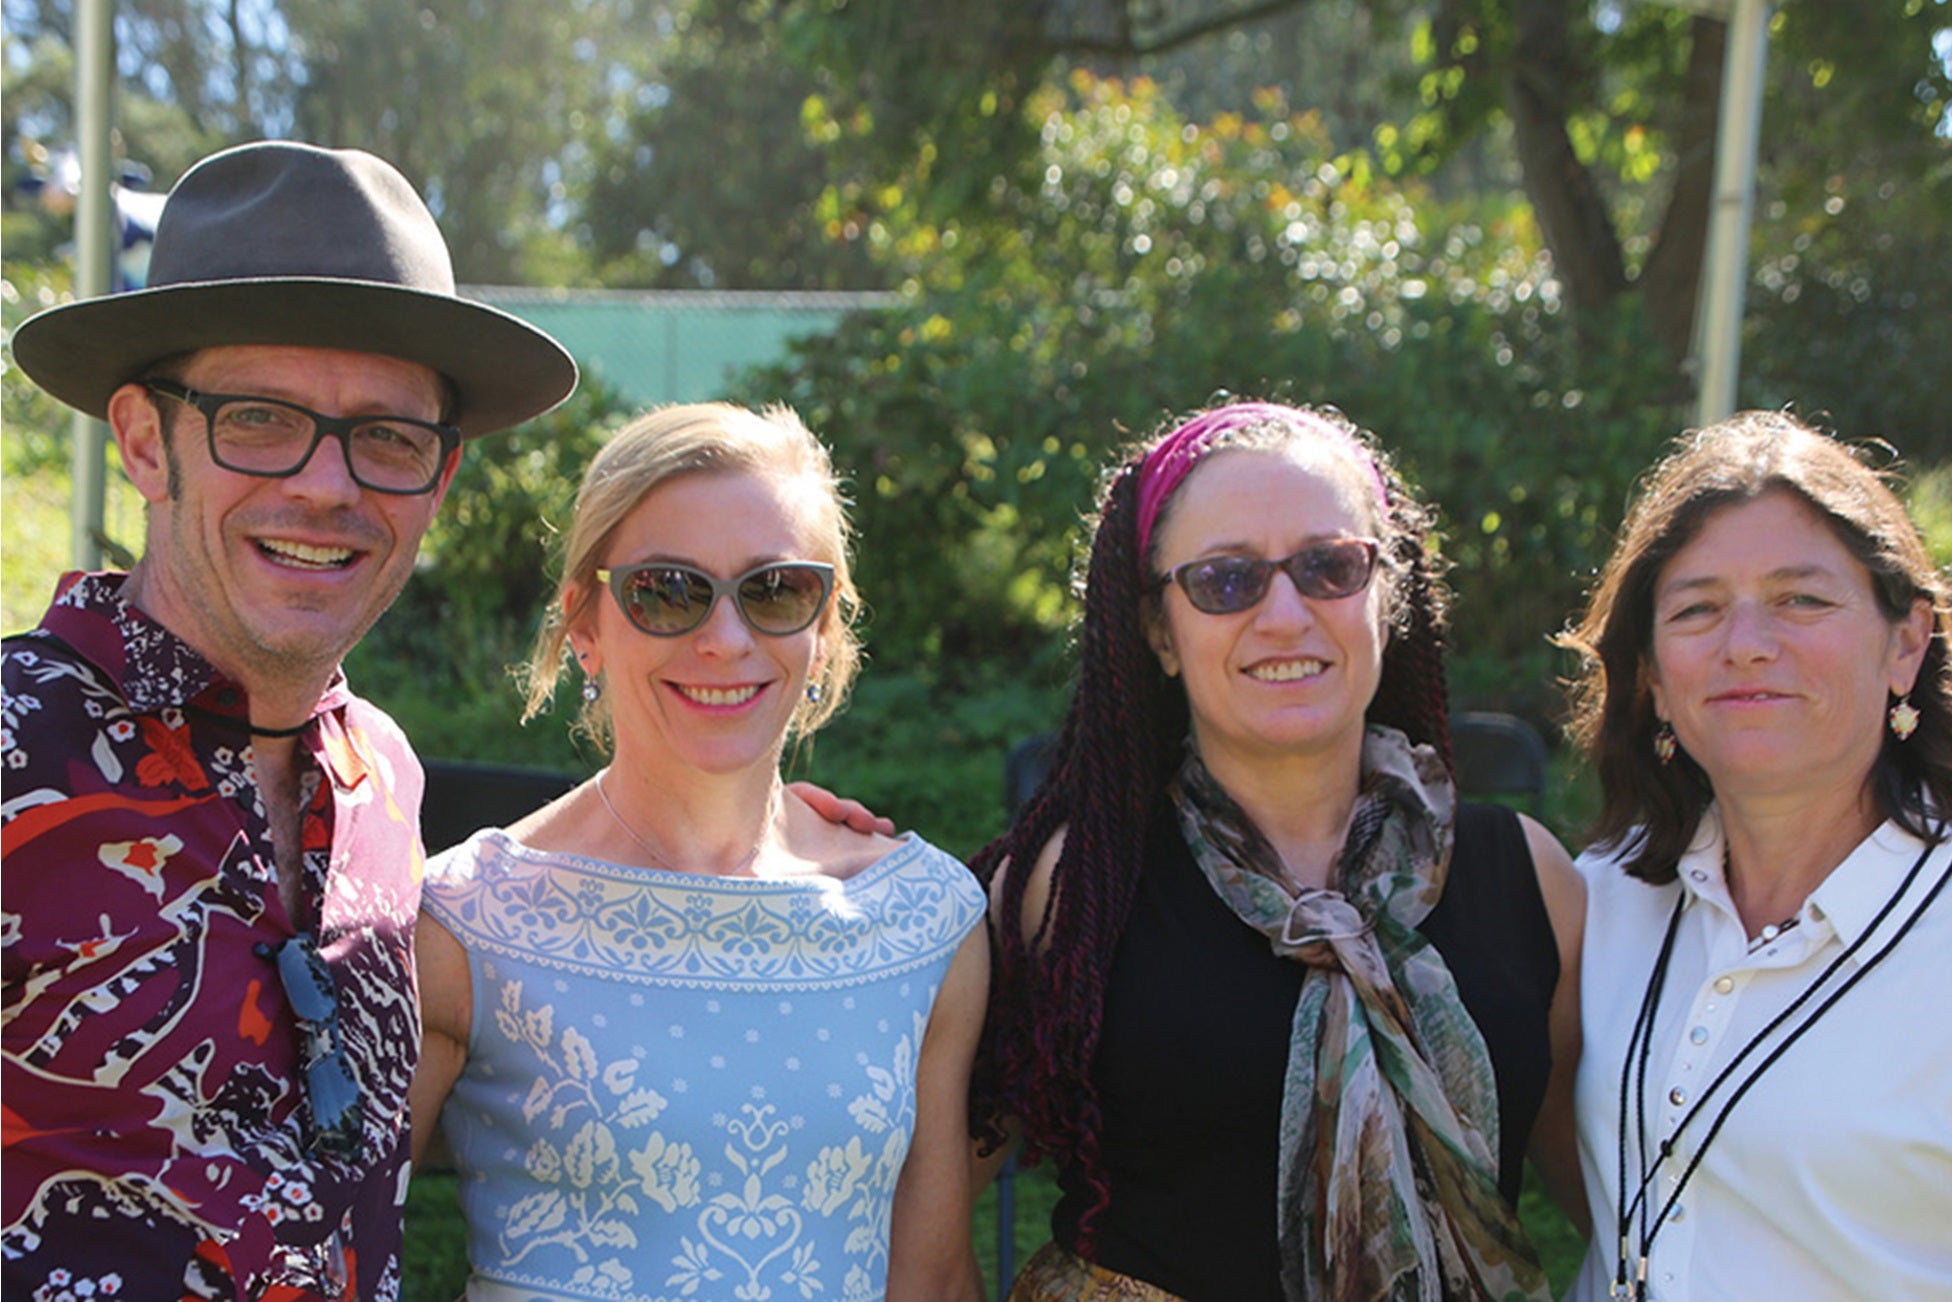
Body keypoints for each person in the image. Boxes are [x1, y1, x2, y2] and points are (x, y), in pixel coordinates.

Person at [0, 141, 579, 1299]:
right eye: (259, 418)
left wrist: (759, 823)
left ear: (440, 482)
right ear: (144, 440)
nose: (328, 485)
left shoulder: (382, 779)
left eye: (388, 438)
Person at [972, 400, 1586, 1301]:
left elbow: (1635, 1202)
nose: (1287, 614)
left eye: (1330, 567)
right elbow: (915, 1193)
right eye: (1227, 580)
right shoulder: (1071, 888)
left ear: (1388, 597)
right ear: (1157, 631)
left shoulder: (1529, 877)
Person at [409, 402, 990, 1301]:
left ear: (825, 625)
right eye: (667, 591)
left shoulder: (922, 920)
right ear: (586, 626)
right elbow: (330, 1248)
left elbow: (935, 1279)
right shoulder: (460, 917)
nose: (726, 638)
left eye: (777, 589)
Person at [1558, 410, 1952, 1301]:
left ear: (1906, 642)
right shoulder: (1605, 899)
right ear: (1652, 674)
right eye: (1697, 609)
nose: (1746, 645)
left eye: (1801, 599)